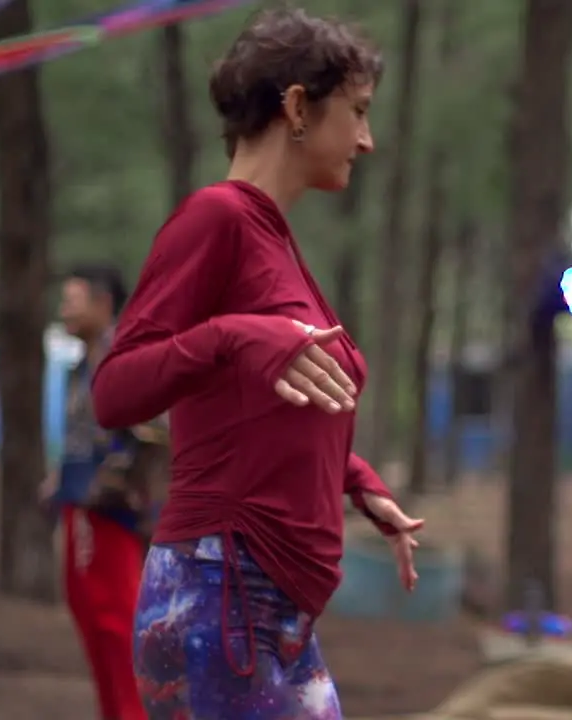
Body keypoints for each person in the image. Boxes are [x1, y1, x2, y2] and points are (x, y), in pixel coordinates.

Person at [89, 8, 422, 719]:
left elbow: (258, 406)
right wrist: (235, 335)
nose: (368, 139)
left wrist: (357, 483)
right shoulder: (218, 219)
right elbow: (114, 392)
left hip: (269, 606)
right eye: (358, 112)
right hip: (217, 595)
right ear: (298, 106)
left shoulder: (271, 238)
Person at [43, 264, 168, 720]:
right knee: (90, 618)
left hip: (118, 514)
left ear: (102, 303)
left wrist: (108, 483)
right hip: (81, 509)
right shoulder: (81, 364)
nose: (64, 311)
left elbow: (152, 434)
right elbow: (82, 436)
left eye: (71, 301)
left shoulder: (125, 357)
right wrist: (61, 479)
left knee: (118, 621)